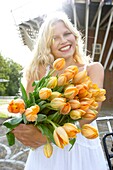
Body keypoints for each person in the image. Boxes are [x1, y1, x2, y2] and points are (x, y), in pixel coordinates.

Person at [12, 11, 108, 170]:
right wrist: (21, 128)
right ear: (47, 44)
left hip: (79, 144)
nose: (63, 41)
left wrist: (48, 136)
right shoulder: (40, 70)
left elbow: (93, 110)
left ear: (75, 36)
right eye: (54, 38)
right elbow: (26, 109)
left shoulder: (93, 69)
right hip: (47, 150)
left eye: (66, 34)